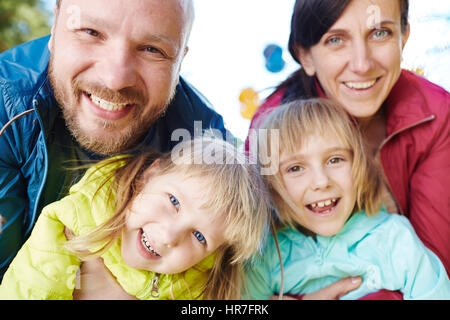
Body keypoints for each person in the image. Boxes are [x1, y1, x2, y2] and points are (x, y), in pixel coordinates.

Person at [0, 0, 232, 280]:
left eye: (151, 49)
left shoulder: (206, 144)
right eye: (91, 32)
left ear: (180, 60)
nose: (114, 79)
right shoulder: (7, 105)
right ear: (55, 23)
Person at [246, 0, 450, 279]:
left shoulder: (437, 113)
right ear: (305, 55)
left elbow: (434, 269)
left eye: (380, 33)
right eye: (336, 40)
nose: (362, 64)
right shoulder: (269, 130)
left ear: (404, 36)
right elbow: (252, 264)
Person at [0, 137, 272, 299]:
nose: (169, 236)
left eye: (199, 236)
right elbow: (29, 288)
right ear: (148, 177)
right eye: (174, 201)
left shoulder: (193, 287)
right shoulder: (74, 223)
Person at [244, 98, 450, 300]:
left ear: (358, 166)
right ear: (269, 187)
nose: (321, 181)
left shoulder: (393, 239)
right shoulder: (265, 256)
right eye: (295, 168)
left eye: (335, 160)